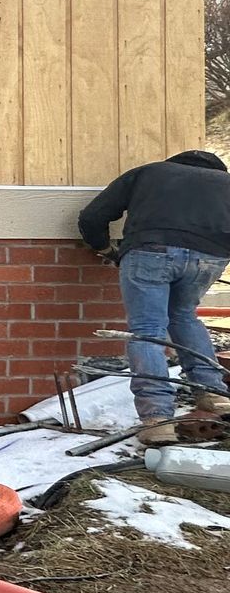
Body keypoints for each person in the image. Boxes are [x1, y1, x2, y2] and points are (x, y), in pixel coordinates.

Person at [78, 151, 230, 444]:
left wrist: (105, 249)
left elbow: (92, 216)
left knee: (147, 331)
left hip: (150, 251)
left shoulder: (149, 173)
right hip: (210, 257)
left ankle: (158, 419)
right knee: (184, 315)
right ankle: (215, 394)